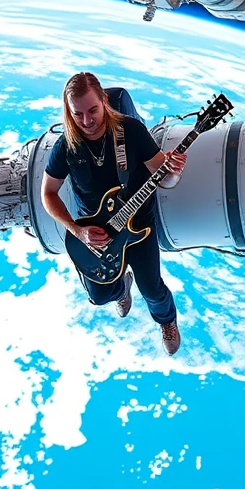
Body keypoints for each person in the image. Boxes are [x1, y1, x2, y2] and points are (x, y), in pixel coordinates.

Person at [41, 72, 187, 354]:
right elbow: (47, 194)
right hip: (94, 237)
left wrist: (174, 173)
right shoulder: (66, 145)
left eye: (93, 110)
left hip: (138, 226)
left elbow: (164, 178)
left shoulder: (130, 131)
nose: (86, 121)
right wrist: (77, 230)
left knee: (152, 290)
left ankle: (167, 321)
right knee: (98, 296)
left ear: (105, 101)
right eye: (78, 114)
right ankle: (121, 289)